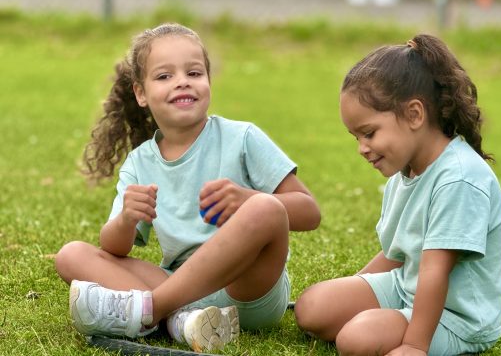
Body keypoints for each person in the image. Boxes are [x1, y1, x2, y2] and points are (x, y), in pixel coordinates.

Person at [54, 23, 321, 353]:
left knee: (265, 208)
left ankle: (151, 312)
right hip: (181, 286)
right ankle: (183, 321)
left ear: (207, 80)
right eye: (164, 76)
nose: (182, 81)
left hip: (249, 290)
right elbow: (114, 247)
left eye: (193, 72)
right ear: (140, 93)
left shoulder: (242, 138)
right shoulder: (140, 163)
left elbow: (309, 212)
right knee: (71, 255)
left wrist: (247, 198)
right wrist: (126, 219)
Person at [294, 34, 501, 355]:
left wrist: (414, 345)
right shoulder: (404, 169)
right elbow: (396, 254)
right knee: (311, 307)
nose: (362, 148)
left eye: (369, 133)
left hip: (456, 317)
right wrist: (354, 288)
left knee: (356, 339)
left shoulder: (459, 178)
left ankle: (398, 332)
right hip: (407, 286)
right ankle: (380, 322)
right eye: (355, 137)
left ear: (414, 115)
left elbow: (435, 270)